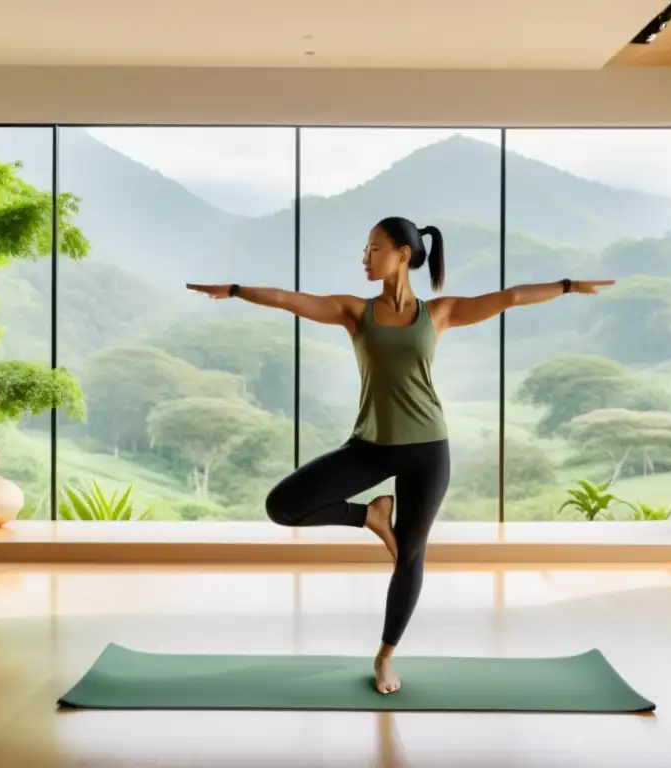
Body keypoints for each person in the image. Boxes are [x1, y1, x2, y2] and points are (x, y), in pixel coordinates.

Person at [187, 216, 613, 695]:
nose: (365, 257)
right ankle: (369, 514)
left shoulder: (440, 313)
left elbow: (510, 297)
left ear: (403, 254)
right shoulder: (355, 312)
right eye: (365, 249)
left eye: (373, 248)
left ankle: (386, 656)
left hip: (428, 450)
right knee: (282, 506)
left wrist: (568, 285)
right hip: (369, 448)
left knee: (410, 553)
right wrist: (237, 290)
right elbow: (290, 300)